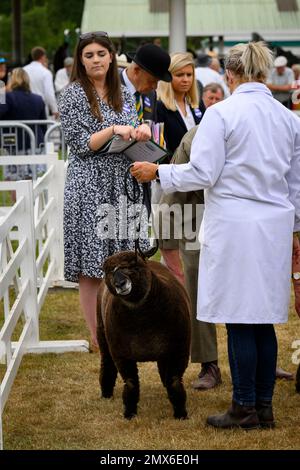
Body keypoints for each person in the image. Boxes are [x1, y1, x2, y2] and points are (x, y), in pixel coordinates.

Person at [131, 41, 300, 429]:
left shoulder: (222, 114)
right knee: (264, 319)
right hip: (273, 224)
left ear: (229, 74)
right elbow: (296, 184)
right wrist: (294, 230)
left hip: (236, 224)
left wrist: (158, 172)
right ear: (265, 73)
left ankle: (244, 406)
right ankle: (264, 405)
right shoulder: (289, 118)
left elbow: (202, 172)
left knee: (241, 317)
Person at [58, 31, 151, 351]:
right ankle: (98, 337)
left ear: (112, 57)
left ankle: (122, 326)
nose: (96, 60)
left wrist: (140, 133)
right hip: (89, 185)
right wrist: (112, 130)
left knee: (123, 258)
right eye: (89, 55)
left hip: (121, 183)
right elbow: (80, 145)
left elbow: (128, 133)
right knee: (93, 264)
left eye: (101, 54)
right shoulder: (72, 94)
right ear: (80, 61)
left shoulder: (123, 92)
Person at [155, 82, 224, 390]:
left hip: (237, 218)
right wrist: (169, 248)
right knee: (196, 287)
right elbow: (174, 192)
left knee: (249, 288)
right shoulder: (194, 138)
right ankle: (208, 363)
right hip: (196, 215)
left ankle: (259, 358)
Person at [0, 68, 46, 180]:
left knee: (14, 180)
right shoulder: (38, 99)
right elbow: (44, 124)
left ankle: (16, 198)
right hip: (35, 143)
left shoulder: (7, 97)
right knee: (33, 178)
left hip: (13, 144)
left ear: (12, 80)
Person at [24, 46, 58, 118]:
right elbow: (49, 93)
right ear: (43, 57)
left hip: (25, 106)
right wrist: (55, 109)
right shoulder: (45, 72)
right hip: (40, 107)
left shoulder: (23, 70)